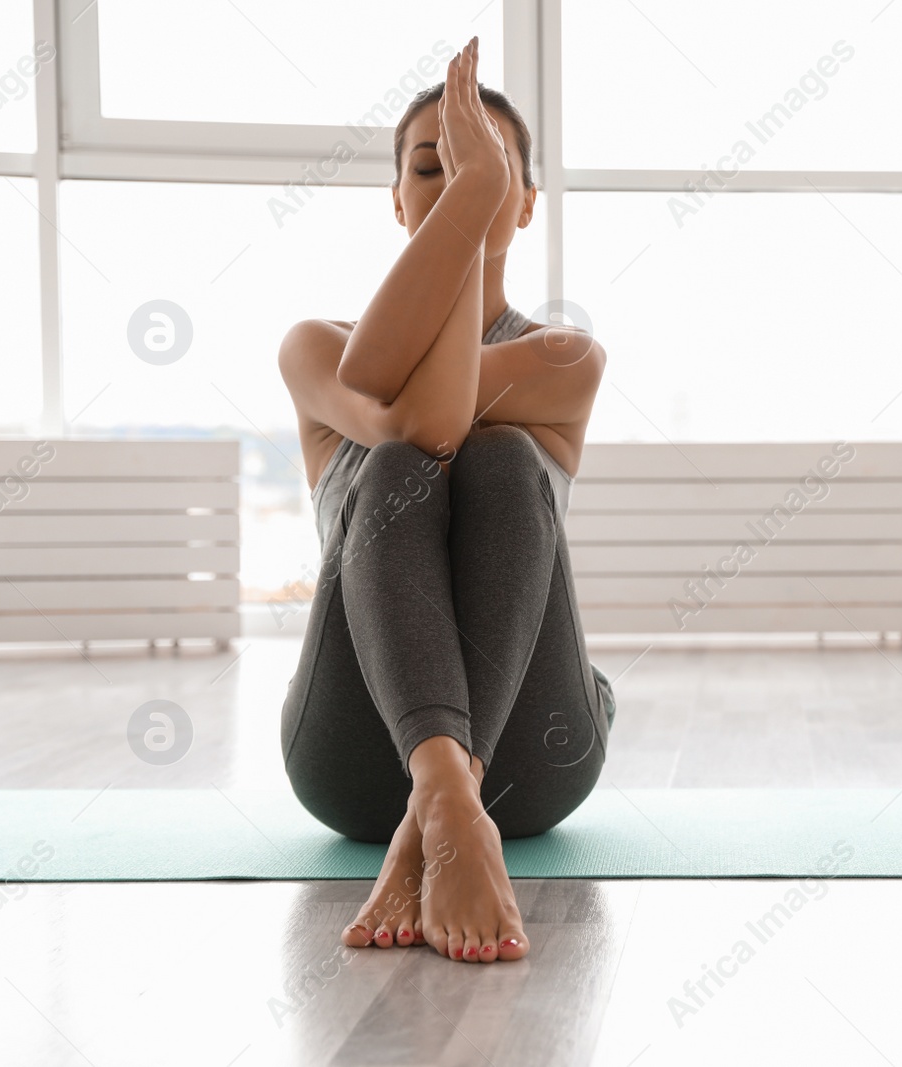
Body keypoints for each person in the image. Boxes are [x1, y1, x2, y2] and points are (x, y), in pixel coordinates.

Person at [276, 36, 613, 965]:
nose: (458, 174)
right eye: (433, 165)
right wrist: (473, 201)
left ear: (529, 203)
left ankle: (448, 804)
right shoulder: (314, 349)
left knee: (502, 460)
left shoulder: (564, 359)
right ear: (397, 199)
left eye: (489, 165)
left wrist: (463, 207)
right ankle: (442, 798)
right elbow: (416, 433)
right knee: (392, 472)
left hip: (536, 762)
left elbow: (429, 410)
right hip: (351, 762)